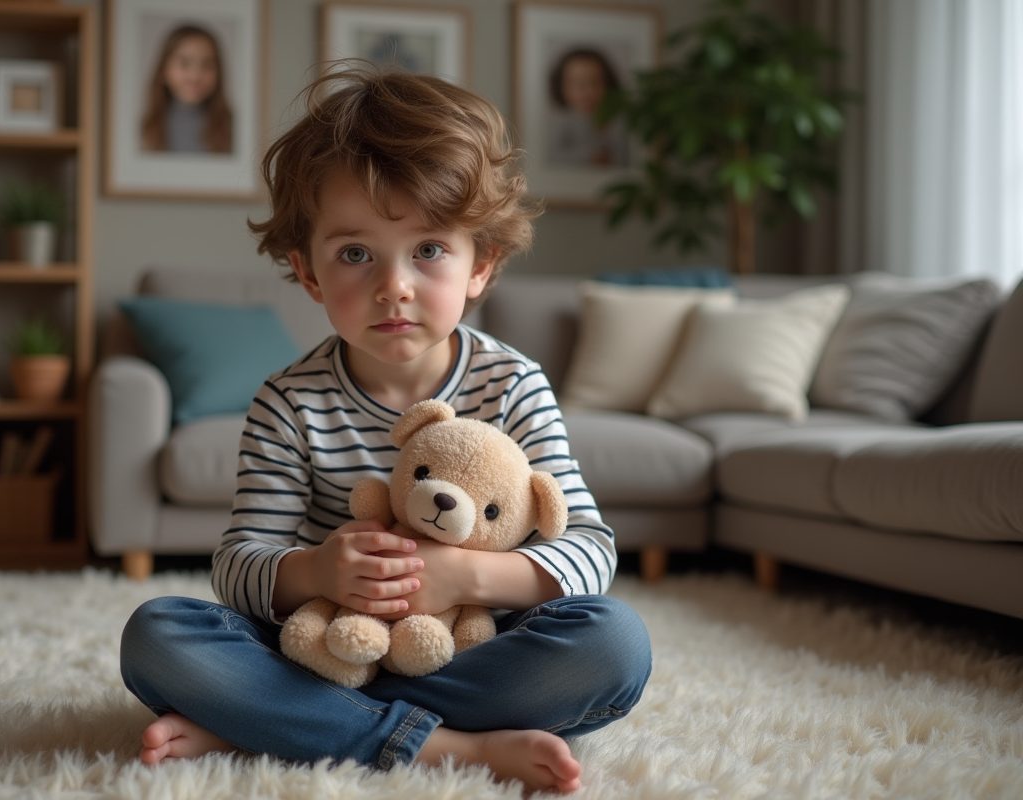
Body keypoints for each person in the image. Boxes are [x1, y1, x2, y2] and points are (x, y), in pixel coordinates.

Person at [119, 64, 651, 796]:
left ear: (481, 266)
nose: (393, 284)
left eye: (429, 250)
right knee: (158, 636)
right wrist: (318, 572)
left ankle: (280, 727)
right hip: (323, 647)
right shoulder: (288, 401)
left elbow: (589, 550)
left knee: (613, 643)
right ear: (308, 274)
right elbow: (240, 565)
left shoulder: (514, 385)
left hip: (467, 648)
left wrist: (465, 576)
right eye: (356, 253)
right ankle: (443, 748)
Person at [141, 23, 233, 154]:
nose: (195, 76)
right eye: (184, 63)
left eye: (207, 65)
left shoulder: (234, 127)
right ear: (163, 70)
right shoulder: (143, 129)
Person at [546, 47, 630, 168]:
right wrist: (590, 156)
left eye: (595, 83)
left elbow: (624, 159)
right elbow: (553, 157)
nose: (587, 91)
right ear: (561, 87)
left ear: (609, 84)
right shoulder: (562, 121)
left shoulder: (616, 120)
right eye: (577, 83)